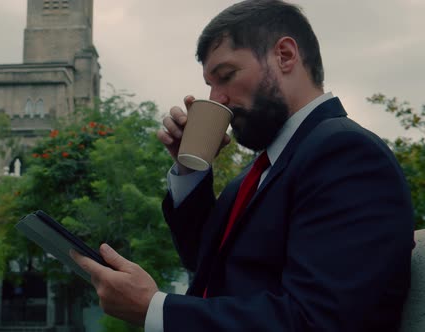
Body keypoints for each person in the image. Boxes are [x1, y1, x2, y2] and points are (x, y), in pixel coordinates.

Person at [71, 0, 415, 330]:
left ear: (285, 55)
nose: (216, 98)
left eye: (226, 75)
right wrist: (191, 170)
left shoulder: (347, 155)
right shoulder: (257, 173)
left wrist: (156, 310)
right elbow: (206, 265)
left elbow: (319, 320)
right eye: (210, 84)